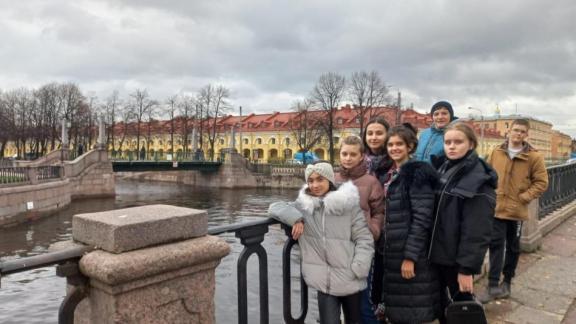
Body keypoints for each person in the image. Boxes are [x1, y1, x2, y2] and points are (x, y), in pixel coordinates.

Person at [268, 161, 374, 324]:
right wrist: (296, 218)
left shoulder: (348, 204)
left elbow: (364, 239)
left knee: (355, 320)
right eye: (310, 181)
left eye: (320, 179)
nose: (315, 185)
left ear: (329, 180)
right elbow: (275, 207)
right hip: (325, 282)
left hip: (350, 276)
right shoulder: (304, 206)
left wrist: (358, 268)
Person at [428, 122, 497, 323]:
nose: (452, 146)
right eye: (448, 142)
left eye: (458, 142)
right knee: (445, 312)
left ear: (471, 144)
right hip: (439, 256)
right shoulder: (443, 168)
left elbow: (477, 230)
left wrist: (466, 269)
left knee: (462, 313)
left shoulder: (478, 178)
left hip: (455, 261)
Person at [376, 124, 441, 323]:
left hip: (409, 253)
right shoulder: (388, 174)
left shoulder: (416, 175)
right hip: (392, 251)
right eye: (390, 144)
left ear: (410, 146)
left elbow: (422, 219)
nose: (394, 148)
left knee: (412, 307)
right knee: (399, 306)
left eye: (399, 144)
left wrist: (410, 257)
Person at [481, 118, 549, 303]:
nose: (518, 134)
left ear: (526, 134)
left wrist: (525, 197)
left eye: (522, 131)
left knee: (512, 247)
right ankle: (492, 285)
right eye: (515, 130)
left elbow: (542, 182)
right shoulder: (496, 152)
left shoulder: (533, 156)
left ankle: (507, 282)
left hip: (516, 210)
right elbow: (486, 174)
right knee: (495, 245)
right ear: (508, 131)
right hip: (496, 208)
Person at [336, 135, 385, 324]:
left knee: (363, 301)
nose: (348, 158)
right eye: (344, 153)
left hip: (361, 249)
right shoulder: (332, 178)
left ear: (361, 156)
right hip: (337, 250)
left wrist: (372, 230)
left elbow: (379, 212)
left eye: (352, 154)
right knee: (343, 302)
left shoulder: (371, 182)